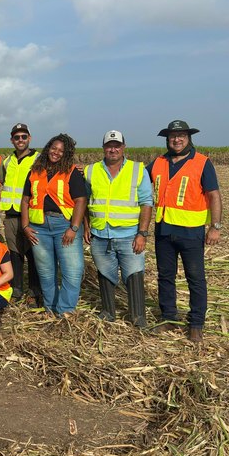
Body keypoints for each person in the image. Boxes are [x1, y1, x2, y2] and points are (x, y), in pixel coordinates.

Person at [147, 120, 223, 343]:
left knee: (196, 278)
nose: (177, 139)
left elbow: (214, 196)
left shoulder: (202, 163)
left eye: (181, 135)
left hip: (191, 232)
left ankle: (196, 323)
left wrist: (215, 227)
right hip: (164, 231)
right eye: (172, 136)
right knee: (165, 277)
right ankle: (168, 317)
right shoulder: (158, 162)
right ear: (167, 139)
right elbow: (136, 179)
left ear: (189, 138)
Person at [83, 130, 153, 327]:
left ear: (124, 147)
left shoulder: (138, 170)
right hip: (100, 235)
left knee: (134, 273)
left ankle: (138, 317)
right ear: (103, 148)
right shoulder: (90, 170)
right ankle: (108, 312)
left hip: (129, 235)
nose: (112, 149)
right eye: (109, 145)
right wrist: (87, 226)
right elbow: (85, 201)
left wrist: (142, 233)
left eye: (116, 145)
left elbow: (146, 203)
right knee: (105, 272)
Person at [21, 134, 88, 315]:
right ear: (48, 147)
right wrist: (25, 226)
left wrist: (74, 228)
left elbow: (81, 200)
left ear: (66, 154)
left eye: (61, 151)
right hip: (39, 228)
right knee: (46, 272)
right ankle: (51, 309)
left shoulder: (71, 171)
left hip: (64, 226)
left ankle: (65, 311)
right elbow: (26, 200)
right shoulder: (35, 170)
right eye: (54, 148)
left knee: (72, 271)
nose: (56, 153)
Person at [0, 123, 43, 306]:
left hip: (31, 215)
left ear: (29, 138)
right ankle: (17, 289)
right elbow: (2, 180)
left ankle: (34, 291)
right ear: (12, 140)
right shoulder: (7, 161)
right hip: (10, 215)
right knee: (15, 254)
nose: (20, 140)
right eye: (17, 137)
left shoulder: (39, 159)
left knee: (33, 254)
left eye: (24, 136)